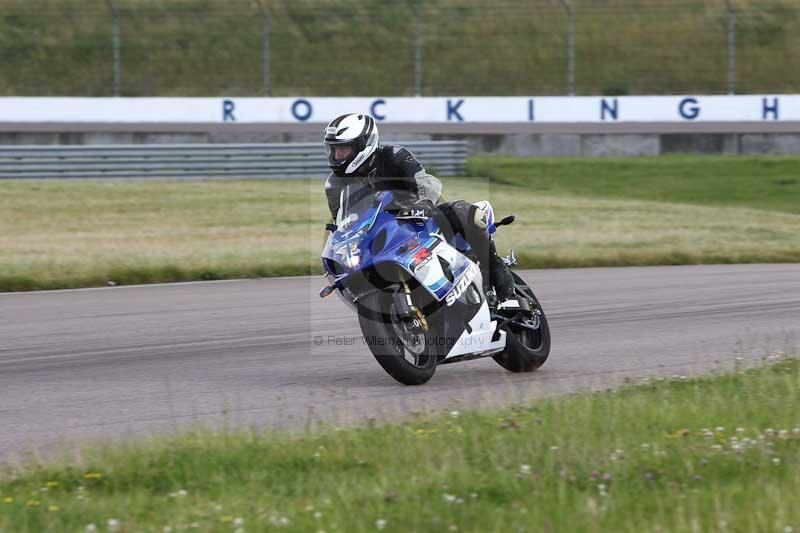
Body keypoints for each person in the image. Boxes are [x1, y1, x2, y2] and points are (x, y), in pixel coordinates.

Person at [323, 113, 518, 308]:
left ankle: (502, 283)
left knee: (468, 214)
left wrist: (424, 203)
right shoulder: (334, 185)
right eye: (334, 149)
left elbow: (427, 182)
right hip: (382, 237)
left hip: (419, 219)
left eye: (343, 149)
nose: (337, 156)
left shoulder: (394, 156)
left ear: (363, 145)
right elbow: (344, 221)